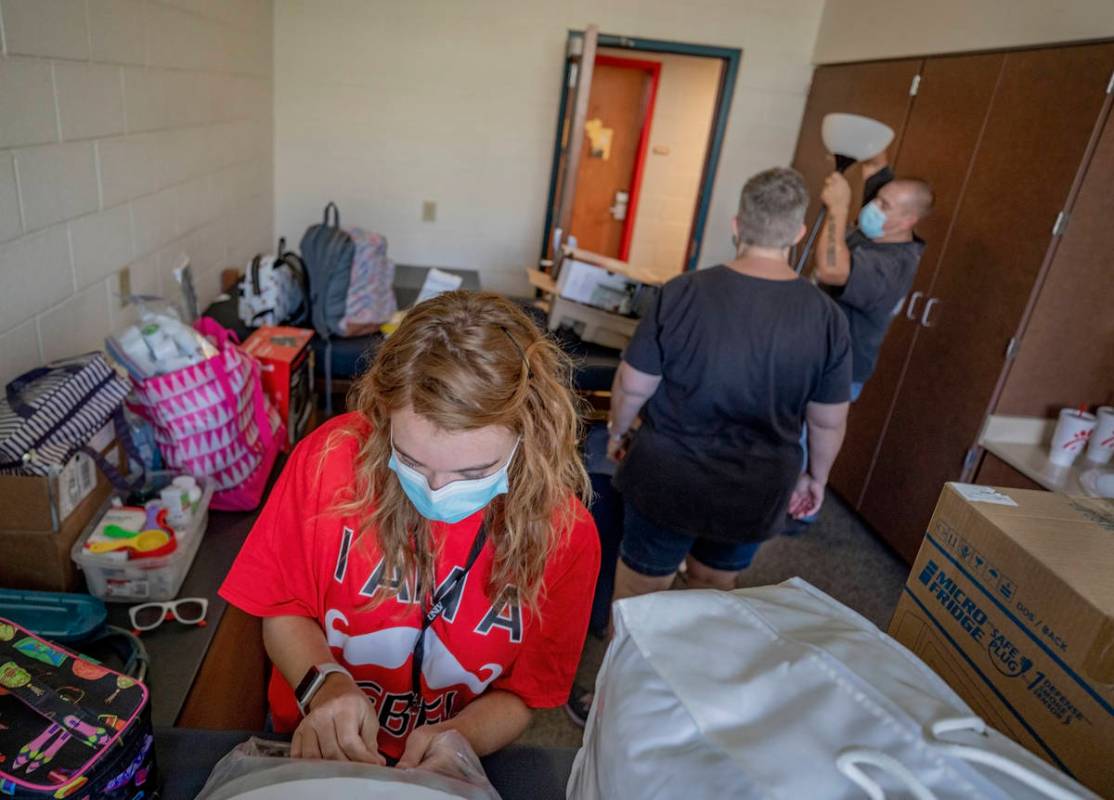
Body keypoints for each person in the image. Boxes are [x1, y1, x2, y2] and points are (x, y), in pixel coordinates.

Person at [220, 292, 600, 766]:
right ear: (384, 418)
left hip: (450, 763)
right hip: (320, 748)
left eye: (474, 472)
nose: (438, 491)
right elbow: (281, 608)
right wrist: (326, 685)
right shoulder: (328, 461)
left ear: (529, 434)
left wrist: (461, 738)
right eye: (413, 461)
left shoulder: (565, 534)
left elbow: (525, 694)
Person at [565, 167, 853, 724]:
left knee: (641, 592)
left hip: (669, 473)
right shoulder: (826, 317)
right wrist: (815, 478)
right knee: (714, 588)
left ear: (737, 223)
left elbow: (632, 384)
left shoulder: (685, 291)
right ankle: (685, 703)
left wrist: (621, 435)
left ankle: (618, 704)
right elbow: (826, 422)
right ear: (797, 234)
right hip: (757, 484)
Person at [814, 152, 933, 399]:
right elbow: (875, 161)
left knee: (807, 436)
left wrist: (838, 208)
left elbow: (831, 269)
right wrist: (848, 143)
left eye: (884, 205)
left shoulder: (891, 267)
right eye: (877, 199)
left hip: (836, 374)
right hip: (813, 357)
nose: (872, 207)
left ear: (907, 221)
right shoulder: (880, 226)